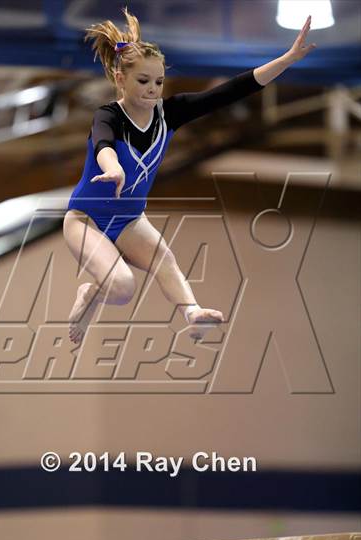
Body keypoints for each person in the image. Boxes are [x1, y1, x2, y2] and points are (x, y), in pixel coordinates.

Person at [64, 8, 316, 344]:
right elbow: (103, 143)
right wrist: (112, 167)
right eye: (143, 81)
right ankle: (92, 291)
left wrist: (285, 59)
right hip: (86, 221)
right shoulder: (109, 115)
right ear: (120, 78)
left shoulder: (170, 113)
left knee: (165, 260)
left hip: (127, 219)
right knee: (123, 288)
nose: (153, 90)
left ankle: (192, 311)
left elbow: (232, 90)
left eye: (158, 82)